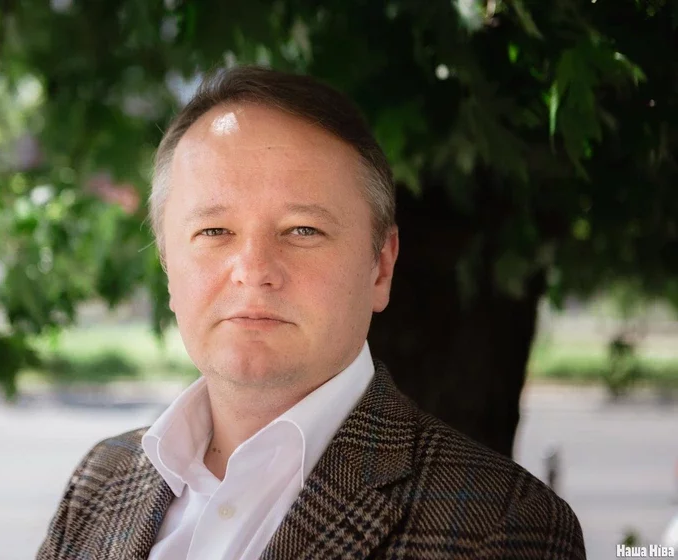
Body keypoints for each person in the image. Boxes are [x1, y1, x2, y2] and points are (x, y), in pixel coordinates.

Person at [36, 66, 586, 560]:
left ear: (380, 267)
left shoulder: (503, 525)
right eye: (214, 231)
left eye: (303, 230)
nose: (254, 270)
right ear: (167, 267)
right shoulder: (102, 481)